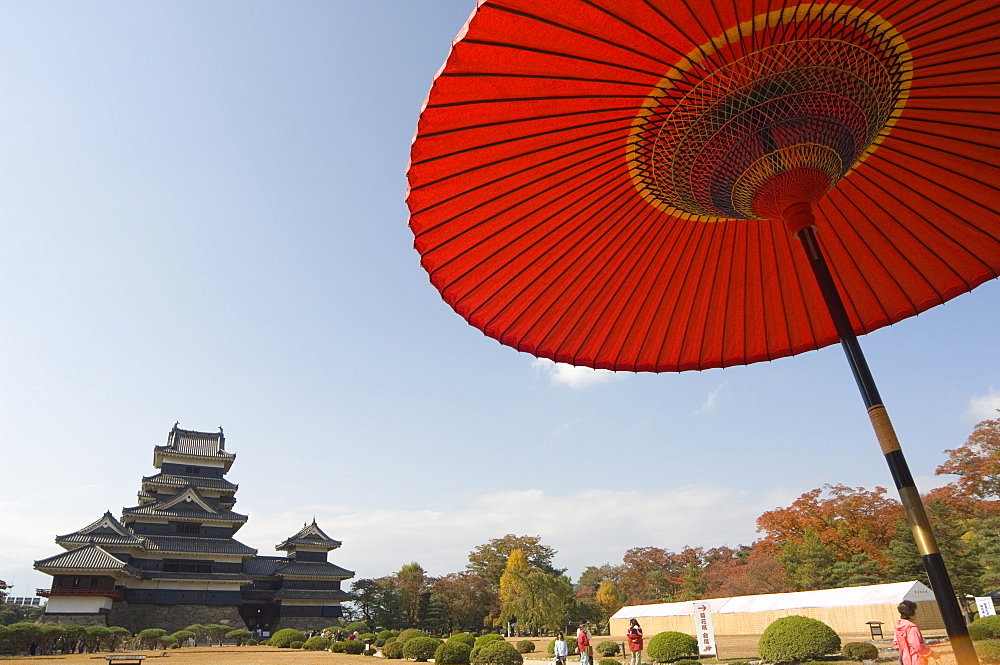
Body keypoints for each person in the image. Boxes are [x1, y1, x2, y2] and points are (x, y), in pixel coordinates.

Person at [894, 600, 936, 665]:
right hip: (916, 660)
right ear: (911, 612)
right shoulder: (912, 628)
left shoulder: (898, 627)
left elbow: (896, 643)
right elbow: (918, 647)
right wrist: (931, 653)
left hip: (905, 660)